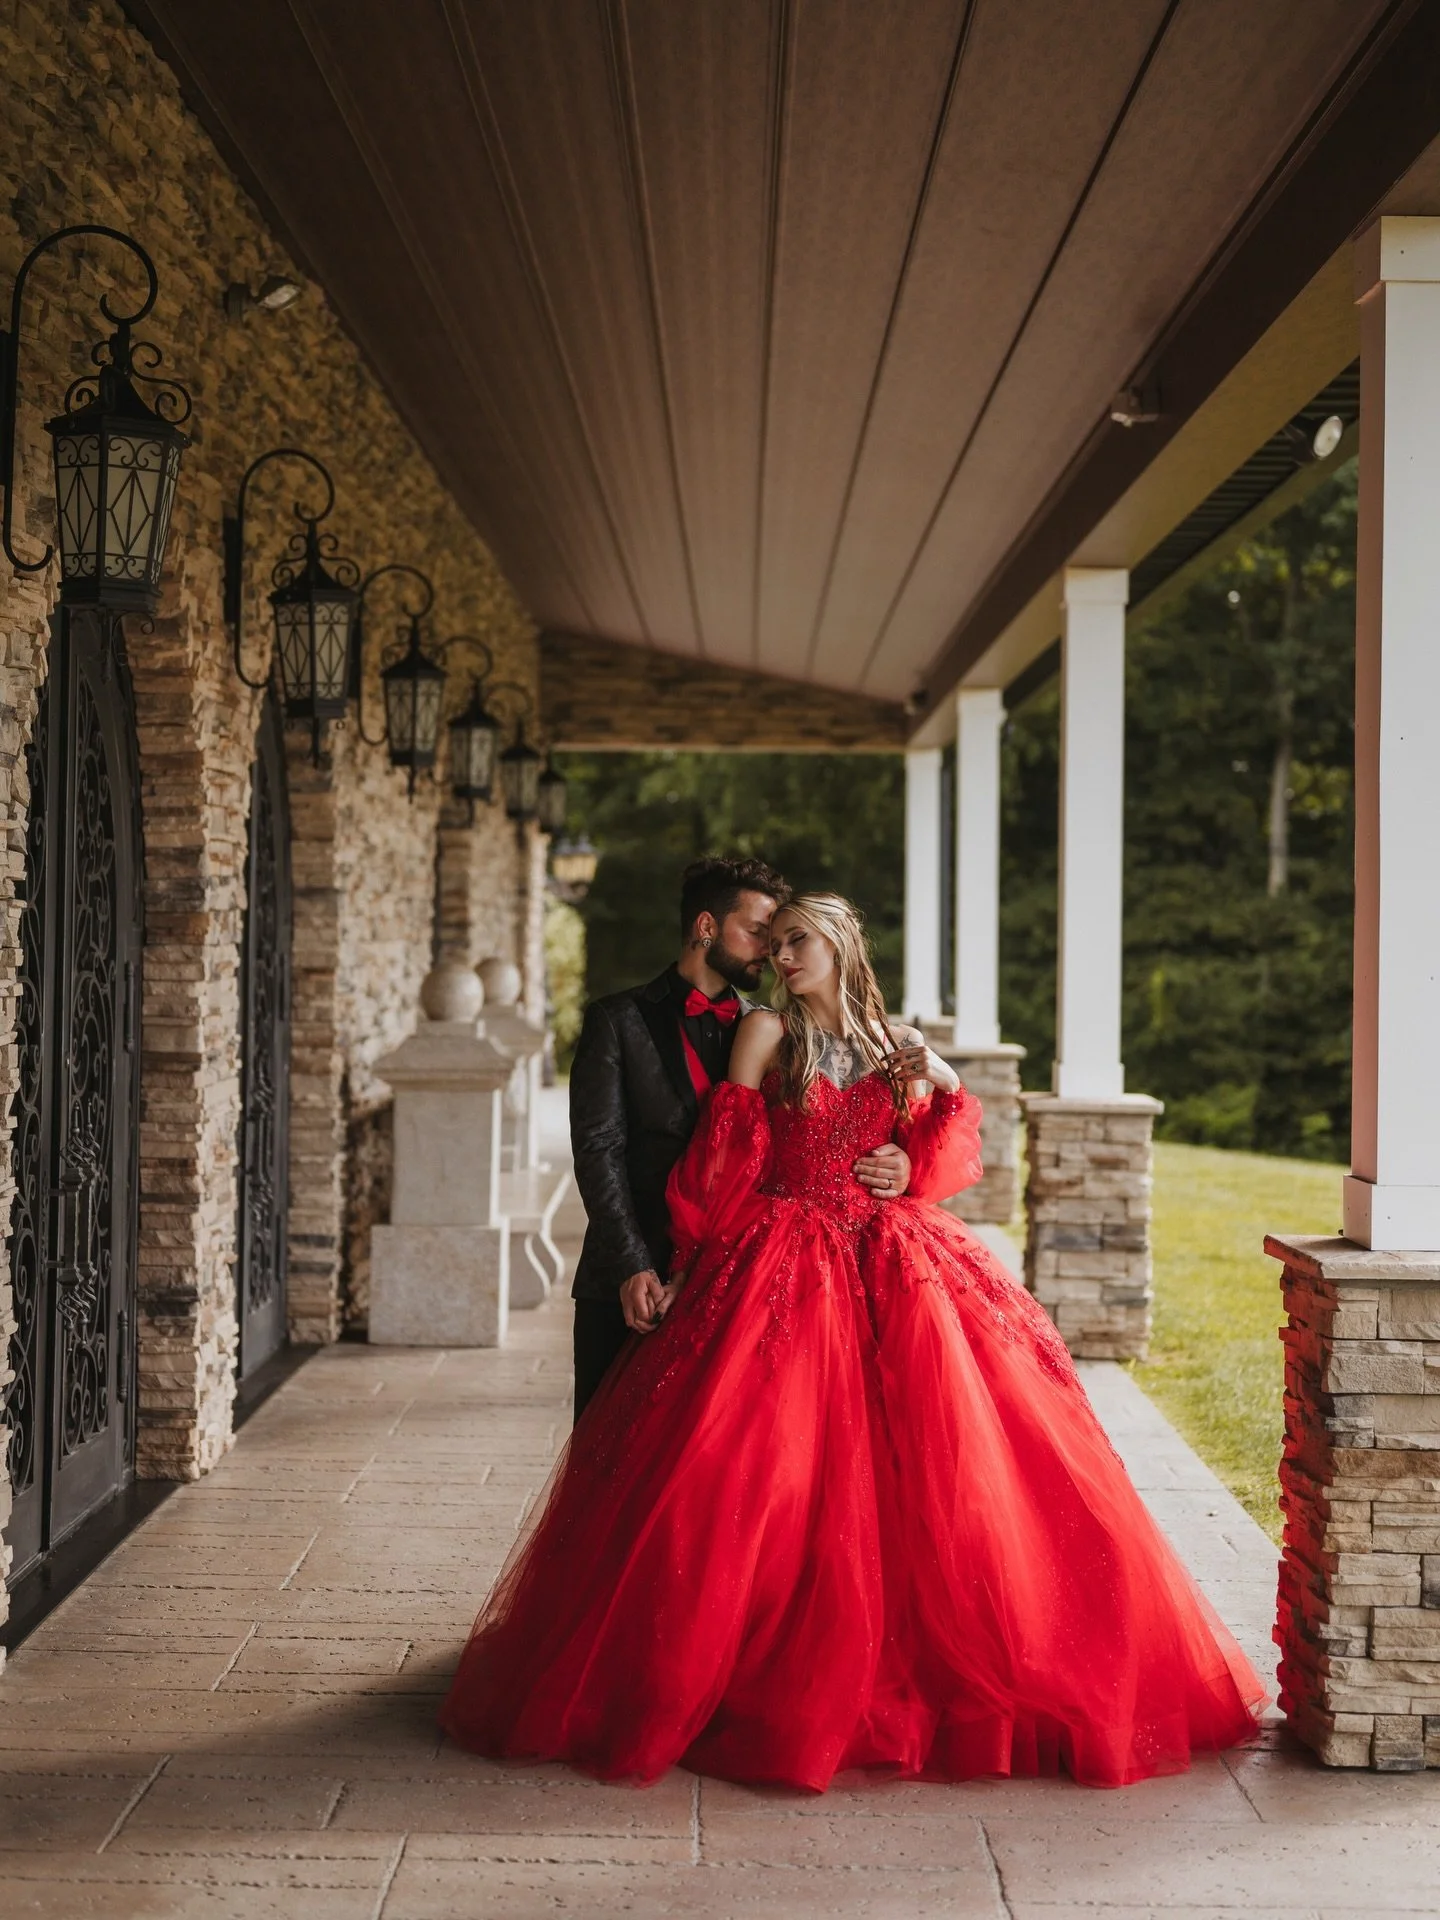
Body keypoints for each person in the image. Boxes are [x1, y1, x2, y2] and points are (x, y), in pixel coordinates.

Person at [442, 892, 1265, 1790]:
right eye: (778, 940)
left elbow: (944, 1144)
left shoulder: (895, 1040)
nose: (782, 956)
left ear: (839, 945)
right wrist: (686, 1260)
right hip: (787, 1251)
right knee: (765, 1467)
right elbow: (726, 1163)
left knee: (950, 1460)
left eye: (798, 941)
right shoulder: (765, 1035)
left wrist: (917, 1151)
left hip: (896, 1257)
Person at [565, 856, 912, 1416]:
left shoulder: (776, 1029)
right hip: (635, 1270)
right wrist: (632, 1265)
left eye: (781, 938)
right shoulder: (618, 1020)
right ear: (706, 927)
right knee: (609, 1459)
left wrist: (903, 1161)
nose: (772, 951)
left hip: (738, 1280)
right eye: (758, 933)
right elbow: (599, 1151)